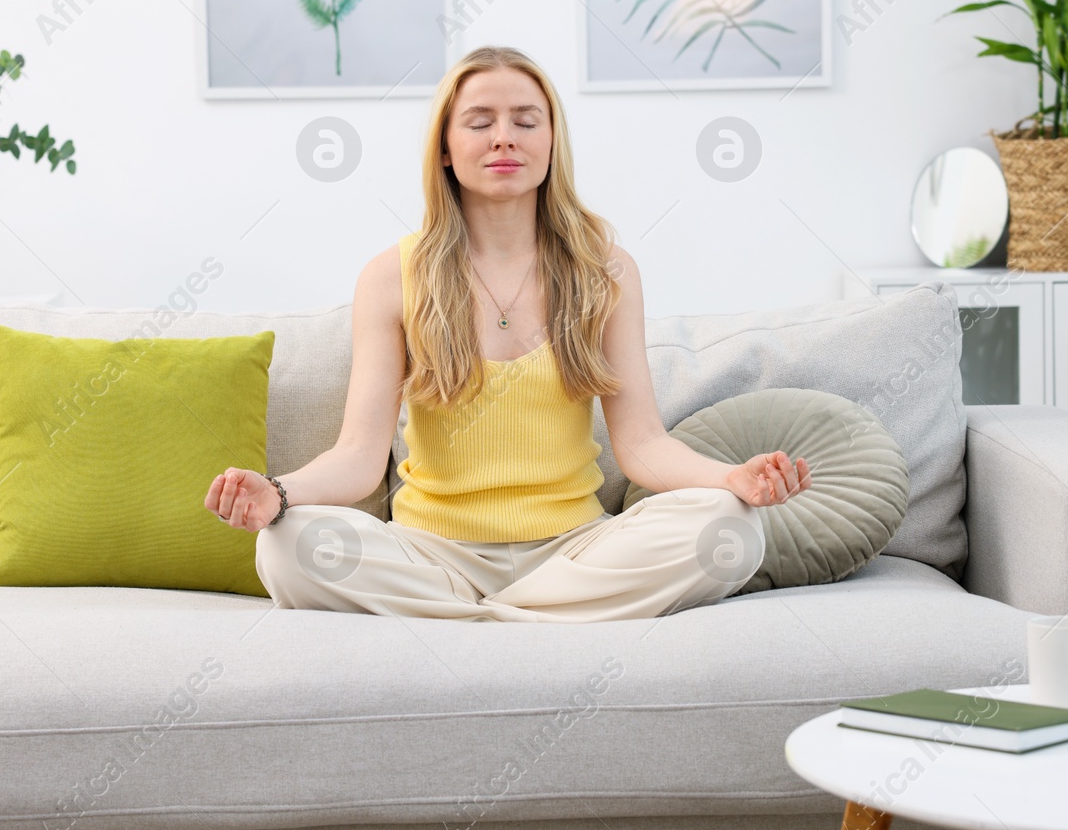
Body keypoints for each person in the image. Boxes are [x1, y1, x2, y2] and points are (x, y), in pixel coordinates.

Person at [203, 45, 810, 622]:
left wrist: (728, 479)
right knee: (285, 546)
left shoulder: (607, 269)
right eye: (479, 122)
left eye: (525, 121)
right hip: (431, 555)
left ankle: (479, 620)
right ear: (445, 147)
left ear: (551, 143)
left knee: (730, 526)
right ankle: (540, 615)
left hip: (576, 548)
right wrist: (278, 494)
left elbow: (644, 445)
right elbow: (360, 459)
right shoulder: (391, 276)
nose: (503, 137)